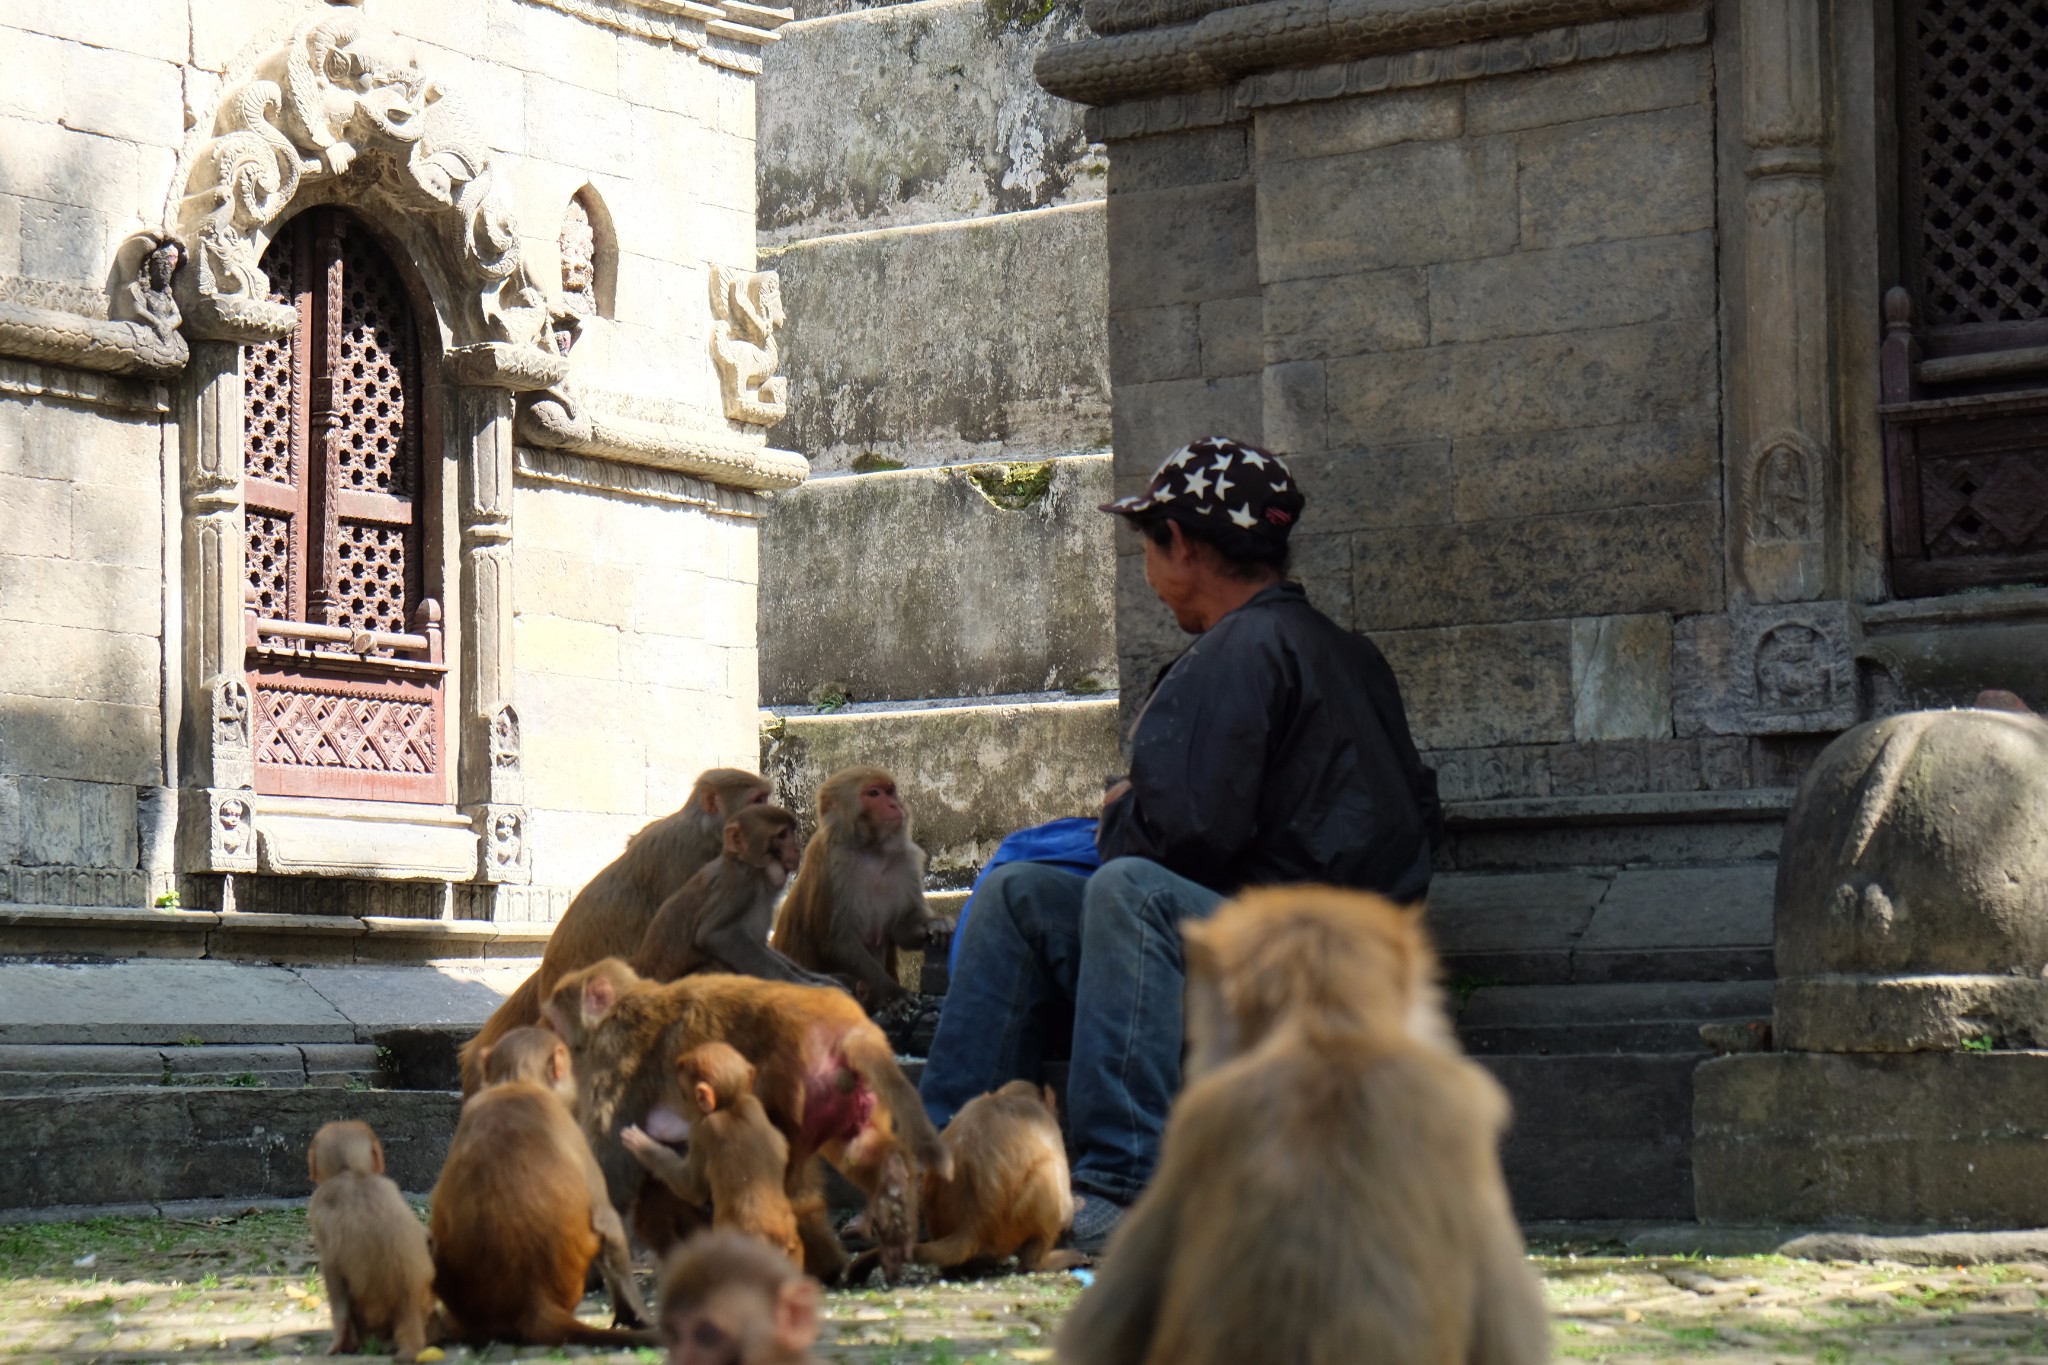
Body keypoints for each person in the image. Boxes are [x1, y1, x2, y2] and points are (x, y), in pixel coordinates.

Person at [917, 436, 1440, 1252]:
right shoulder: (1342, 651)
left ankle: (1121, 1182)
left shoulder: (1243, 649)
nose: (1153, 579)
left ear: (1184, 545)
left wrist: (1122, 809)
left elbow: (1188, 833)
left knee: (1129, 891)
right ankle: (940, 1170)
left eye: (1151, 550)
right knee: (1021, 896)